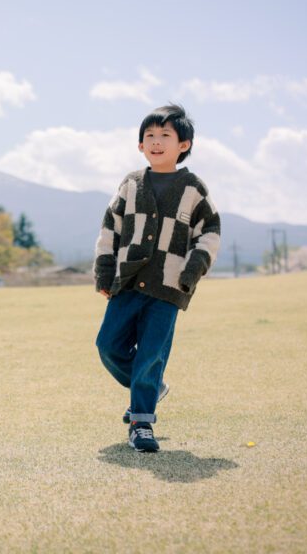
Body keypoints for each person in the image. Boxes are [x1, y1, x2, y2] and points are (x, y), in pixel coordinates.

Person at [93, 104, 221, 452]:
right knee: (107, 346)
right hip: (127, 283)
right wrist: (105, 271)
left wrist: (192, 269)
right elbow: (110, 229)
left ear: (184, 144)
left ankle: (141, 423)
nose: (156, 141)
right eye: (149, 136)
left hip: (168, 287)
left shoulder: (194, 188)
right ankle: (152, 386)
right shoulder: (131, 183)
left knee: (150, 354)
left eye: (166, 135)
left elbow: (209, 232)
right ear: (140, 145)